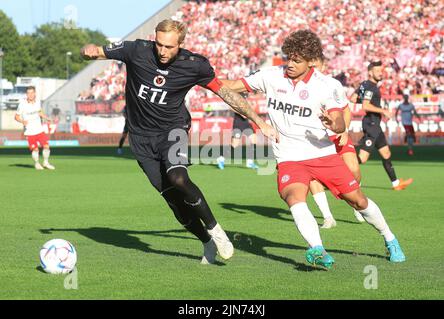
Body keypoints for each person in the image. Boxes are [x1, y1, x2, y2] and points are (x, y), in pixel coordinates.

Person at [80, 19, 278, 265]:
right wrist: (86, 50)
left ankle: (217, 231)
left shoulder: (194, 65)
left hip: (172, 130)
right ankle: (206, 242)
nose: (162, 51)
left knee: (179, 178)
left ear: (181, 44)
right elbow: (95, 51)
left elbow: (225, 93)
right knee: (172, 200)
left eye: (169, 47)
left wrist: (259, 121)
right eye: (159, 45)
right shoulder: (136, 50)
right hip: (140, 138)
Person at [222, 30, 405, 269]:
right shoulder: (271, 76)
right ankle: (317, 249)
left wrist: (334, 123)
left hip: (322, 154)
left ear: (311, 61)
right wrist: (202, 78)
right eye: (288, 58)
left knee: (358, 201)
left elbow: (340, 121)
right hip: (288, 157)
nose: (289, 64)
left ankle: (390, 239)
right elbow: (233, 86)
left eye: (297, 61)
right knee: (294, 198)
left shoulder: (327, 85)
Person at [308, 57, 365, 228]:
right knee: (313, 178)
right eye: (310, 65)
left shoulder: (333, 84)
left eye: (316, 65)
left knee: (354, 169)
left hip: (337, 133)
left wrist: (345, 130)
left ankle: (357, 205)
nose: (313, 68)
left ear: (323, 66)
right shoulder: (300, 87)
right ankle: (328, 217)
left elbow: (345, 109)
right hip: (316, 138)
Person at [350, 61, 413, 191]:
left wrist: (368, 101)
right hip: (371, 123)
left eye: (381, 71)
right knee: (363, 158)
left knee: (386, 153)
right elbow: (365, 105)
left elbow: (353, 98)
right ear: (370, 72)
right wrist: (383, 110)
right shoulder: (371, 87)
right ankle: (338, 173)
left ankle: (396, 184)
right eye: (377, 71)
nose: (380, 73)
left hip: (374, 124)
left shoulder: (364, 85)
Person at [14, 86, 55, 170]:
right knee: (35, 150)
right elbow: (16, 117)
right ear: (26, 94)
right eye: (28, 93)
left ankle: (46, 162)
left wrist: (46, 118)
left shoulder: (37, 102)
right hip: (29, 131)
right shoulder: (22, 104)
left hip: (39, 130)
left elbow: (39, 112)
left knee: (46, 146)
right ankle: (36, 164)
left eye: (32, 92)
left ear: (35, 93)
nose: (30, 95)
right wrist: (22, 121)